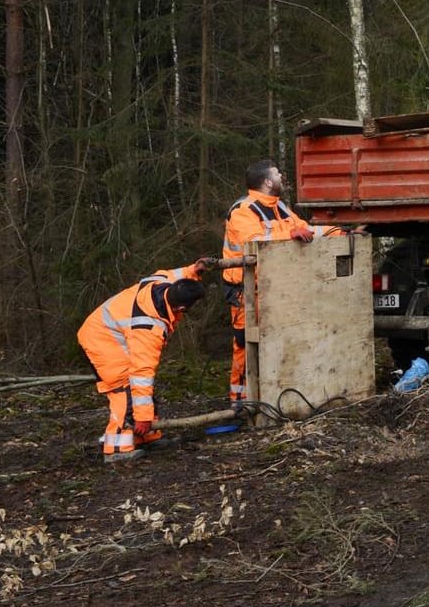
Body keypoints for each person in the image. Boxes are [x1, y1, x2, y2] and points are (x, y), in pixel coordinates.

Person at [221, 160, 337, 410]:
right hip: (246, 292)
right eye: (277, 173)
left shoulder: (280, 208)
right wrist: (290, 235)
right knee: (244, 345)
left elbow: (305, 230)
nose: (282, 176)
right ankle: (240, 402)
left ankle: (275, 395)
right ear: (267, 182)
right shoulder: (242, 210)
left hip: (276, 288)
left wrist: (340, 232)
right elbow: (254, 242)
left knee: (280, 340)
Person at [75, 261, 207, 461]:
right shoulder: (148, 328)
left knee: (138, 392)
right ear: (180, 307)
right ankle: (117, 448)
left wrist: (192, 271)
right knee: (124, 388)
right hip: (100, 340)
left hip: (107, 333)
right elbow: (141, 374)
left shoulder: (159, 283)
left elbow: (170, 273)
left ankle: (146, 436)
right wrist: (143, 416)